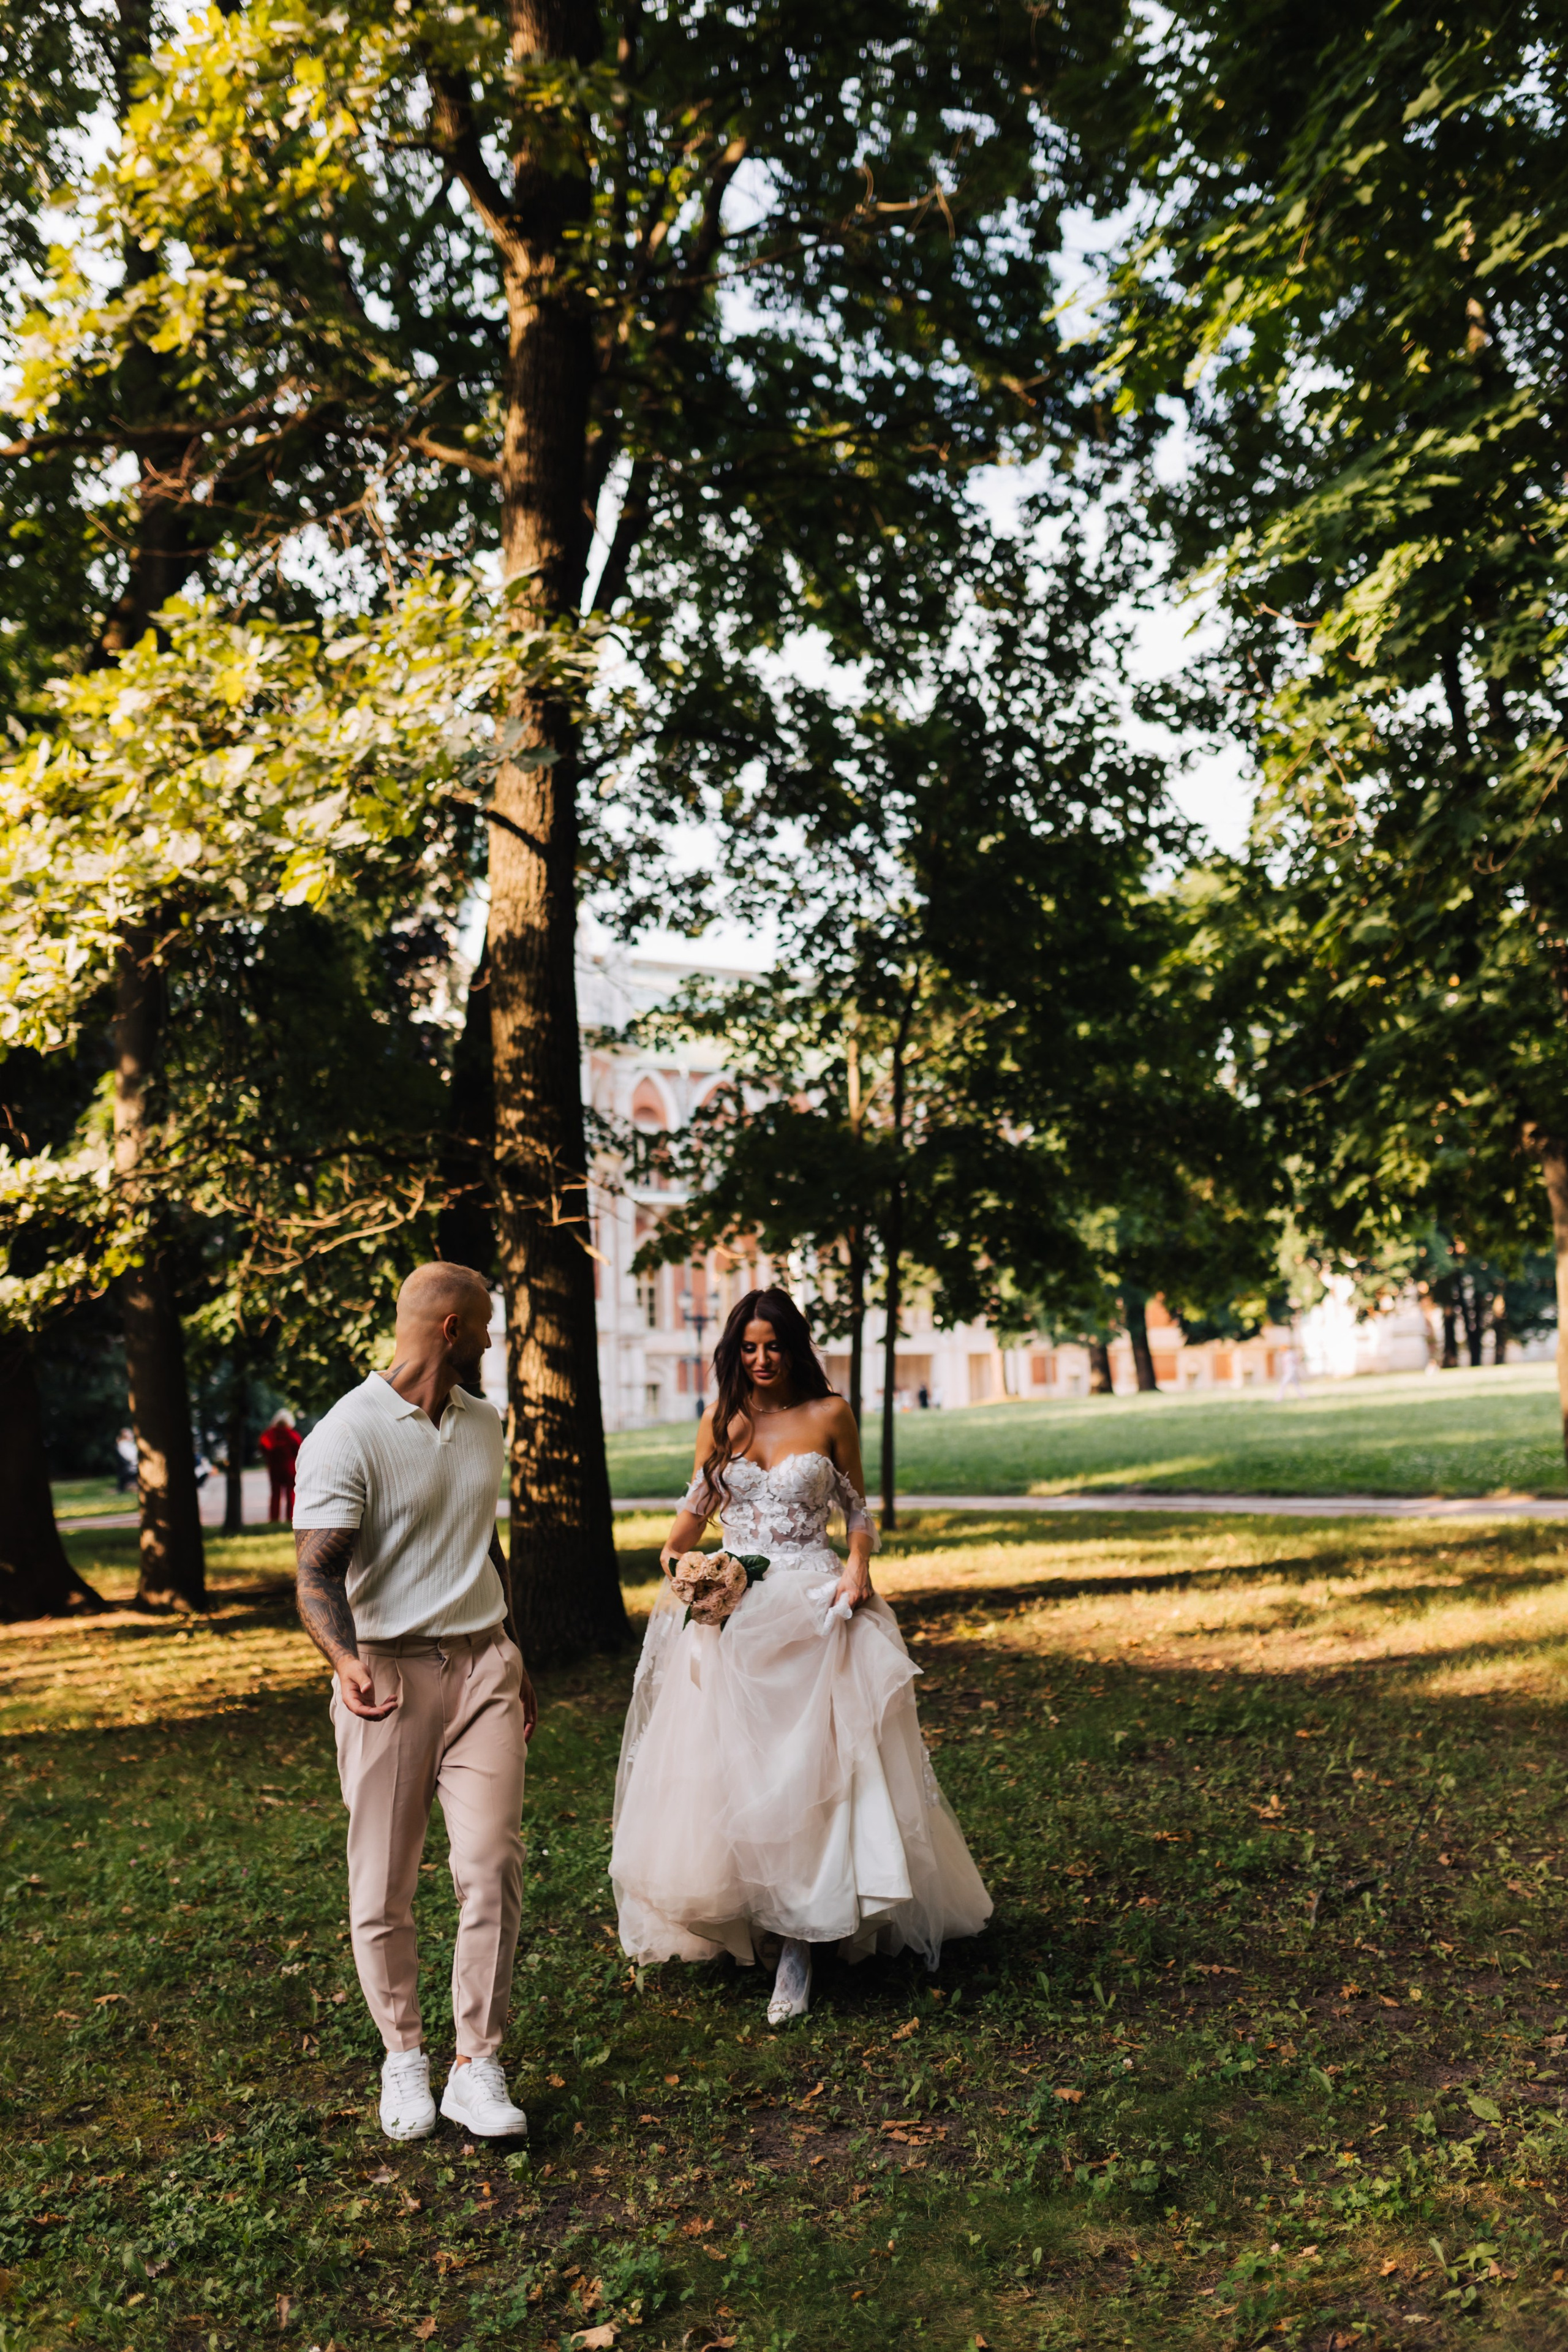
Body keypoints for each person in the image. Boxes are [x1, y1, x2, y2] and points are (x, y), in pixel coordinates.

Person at [610, 1286, 990, 2025]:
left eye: (772, 1345)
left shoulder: (831, 1414)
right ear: (734, 1351)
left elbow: (859, 1512)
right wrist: (681, 1565)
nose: (760, 1359)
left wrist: (858, 1568)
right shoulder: (721, 1422)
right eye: (747, 1347)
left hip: (815, 1603)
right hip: (735, 1609)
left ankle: (800, 1941)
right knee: (736, 1772)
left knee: (814, 1772)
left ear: (794, 1346)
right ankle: (753, 1909)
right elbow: (689, 1521)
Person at [292, 1262, 537, 2143]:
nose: (491, 1340)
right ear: (448, 1328)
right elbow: (316, 1571)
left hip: (483, 1669)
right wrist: (346, 1661)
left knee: (492, 1866)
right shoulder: (347, 1433)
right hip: (387, 1676)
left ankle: (477, 2064)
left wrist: (514, 1650)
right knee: (383, 1883)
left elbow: (479, 1538)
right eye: (483, 1327)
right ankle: (404, 2059)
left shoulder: (483, 1423)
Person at [258, 1409, 301, 1523]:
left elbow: (263, 1448)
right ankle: (290, 1518)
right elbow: (299, 1450)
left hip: (274, 1469)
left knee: (275, 1495)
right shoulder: (292, 1435)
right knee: (290, 1495)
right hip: (290, 1469)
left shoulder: (269, 1435)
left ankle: (274, 1518)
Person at [114, 1426, 137, 1493]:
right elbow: (131, 1458)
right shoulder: (124, 1445)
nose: (132, 1435)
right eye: (130, 1434)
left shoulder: (130, 1444)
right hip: (131, 1466)